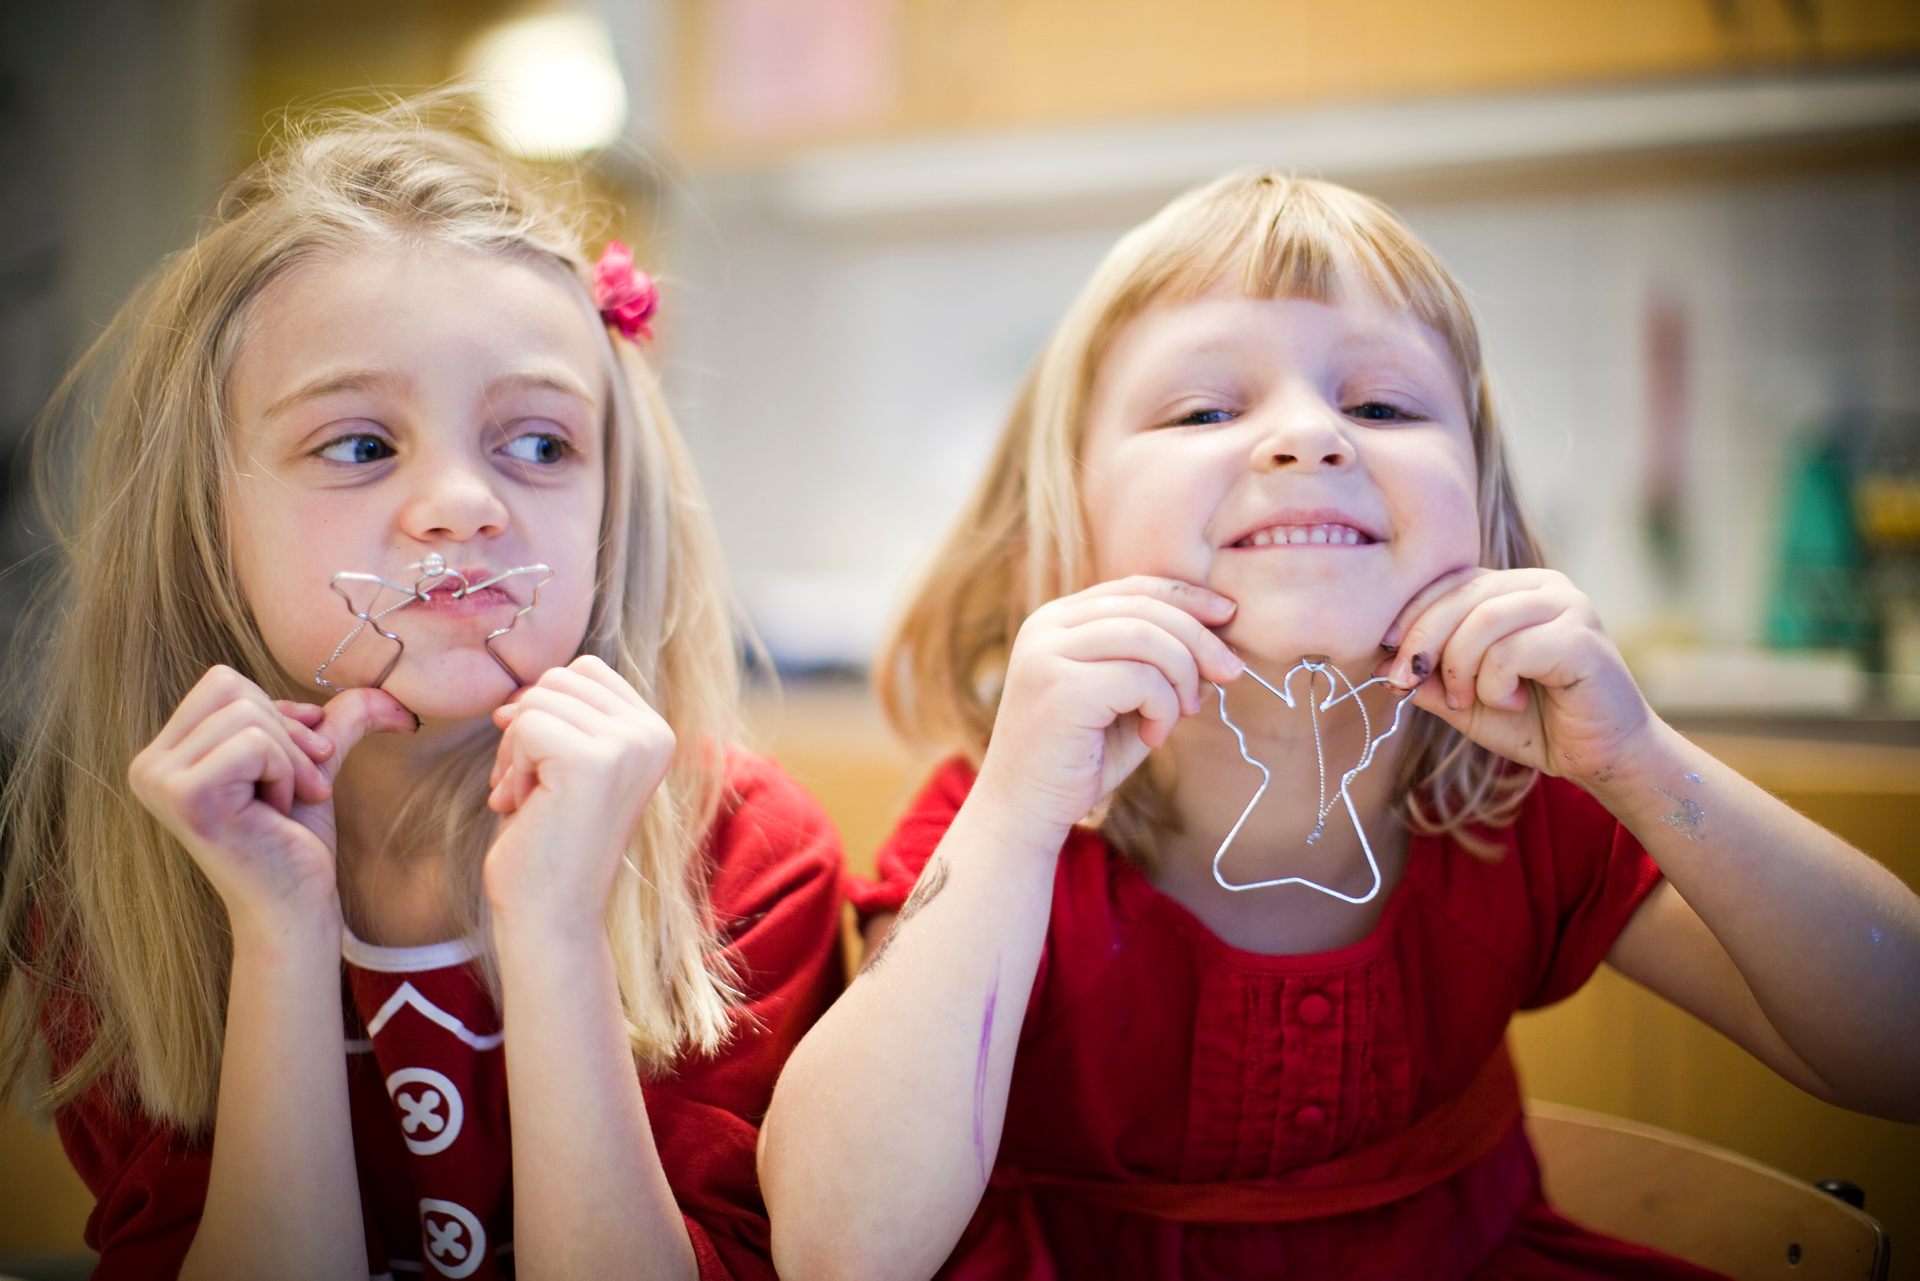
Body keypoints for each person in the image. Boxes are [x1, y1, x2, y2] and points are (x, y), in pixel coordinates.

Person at [757, 172, 1920, 1280]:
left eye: (1382, 404)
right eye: (1206, 408)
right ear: (1055, 552)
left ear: (1489, 523)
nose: (1312, 437)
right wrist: (1011, 822)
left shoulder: (1530, 804)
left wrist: (1639, 758)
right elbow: (838, 1255)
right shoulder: (998, 825)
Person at [0, 97, 844, 1280]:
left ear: (612, 507)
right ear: (207, 521)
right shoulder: (123, 889)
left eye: (540, 445)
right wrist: (280, 932)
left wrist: (555, 931)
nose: (464, 502)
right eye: (359, 444)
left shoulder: (745, 855)